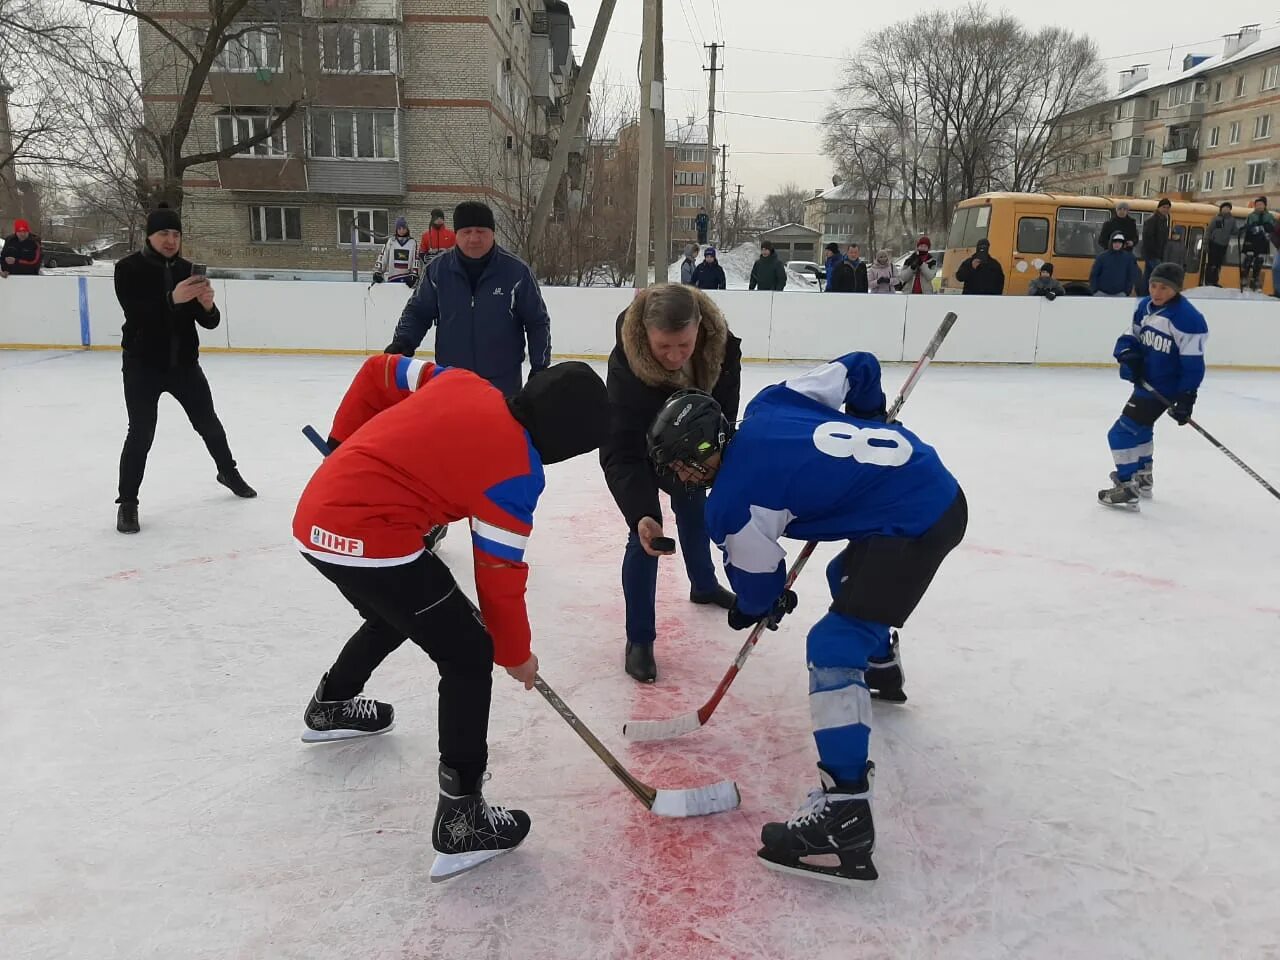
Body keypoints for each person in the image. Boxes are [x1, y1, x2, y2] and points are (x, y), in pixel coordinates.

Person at [645, 353, 966, 883]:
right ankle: (881, 665)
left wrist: (755, 608)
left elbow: (759, 587)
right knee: (846, 578)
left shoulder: (732, 504)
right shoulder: (771, 404)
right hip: (923, 480)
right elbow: (860, 366)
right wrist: (870, 416)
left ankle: (845, 813)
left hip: (917, 519)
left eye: (682, 464)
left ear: (704, 451)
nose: (680, 475)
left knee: (833, 645)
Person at [293, 354, 610, 881]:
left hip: (314, 522)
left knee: (396, 612)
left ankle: (333, 703)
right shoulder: (517, 471)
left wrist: (340, 448)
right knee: (467, 654)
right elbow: (498, 576)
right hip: (373, 538)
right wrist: (514, 654)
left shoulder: (465, 381)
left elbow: (379, 372)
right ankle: (461, 821)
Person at [600, 284, 741, 683]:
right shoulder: (626, 368)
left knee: (696, 510)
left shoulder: (722, 348)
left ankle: (704, 585)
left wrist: (713, 458)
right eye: (664, 346)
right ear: (645, 335)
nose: (676, 355)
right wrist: (641, 513)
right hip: (642, 450)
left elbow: (724, 415)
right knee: (646, 537)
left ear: (701, 328)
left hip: (692, 449)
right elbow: (620, 448)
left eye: (684, 344)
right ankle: (639, 639)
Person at [112, 204, 255, 535]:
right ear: (150, 235)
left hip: (184, 366)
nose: (171, 240)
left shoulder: (189, 270)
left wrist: (207, 306)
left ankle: (228, 472)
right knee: (141, 432)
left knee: (209, 423)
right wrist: (172, 298)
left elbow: (210, 322)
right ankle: (128, 502)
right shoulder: (128, 269)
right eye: (164, 233)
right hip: (142, 366)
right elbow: (137, 316)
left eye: (176, 234)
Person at [386, 201, 551, 397]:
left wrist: (539, 369)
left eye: (481, 231)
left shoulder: (516, 272)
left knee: (496, 428)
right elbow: (418, 312)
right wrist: (403, 342)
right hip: (451, 380)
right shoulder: (438, 270)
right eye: (467, 231)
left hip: (502, 384)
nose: (474, 238)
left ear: (492, 233)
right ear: (456, 235)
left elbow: (537, 322)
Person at [1098, 263, 1206, 509]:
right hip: (1146, 383)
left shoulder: (1188, 319)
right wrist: (1128, 356)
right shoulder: (1144, 306)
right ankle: (1143, 477)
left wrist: (1187, 396)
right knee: (1142, 428)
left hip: (1162, 389)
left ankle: (1127, 486)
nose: (1157, 292)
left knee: (1120, 433)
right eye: (1153, 285)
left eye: (1164, 288)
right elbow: (1131, 337)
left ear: (1177, 290)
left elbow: (1193, 364)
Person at [1240, 196, 1276, 293]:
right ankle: (1244, 282)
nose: (1259, 206)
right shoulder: (1251, 216)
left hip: (1262, 243)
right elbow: (1246, 227)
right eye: (1257, 205)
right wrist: (1252, 228)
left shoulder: (1269, 216)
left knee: (1258, 264)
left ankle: (1255, 283)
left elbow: (1273, 228)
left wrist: (1263, 228)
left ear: (1265, 206)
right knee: (1247, 262)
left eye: (1261, 204)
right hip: (1251, 242)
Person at [1090, 233, 1140, 297]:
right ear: (1111, 242)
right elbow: (1094, 274)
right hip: (1101, 294)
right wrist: (1095, 290)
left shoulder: (1129, 258)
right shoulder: (1102, 257)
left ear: (1123, 244)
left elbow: (1131, 276)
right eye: (1115, 242)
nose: (1117, 244)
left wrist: (1126, 292)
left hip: (1120, 294)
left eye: (1119, 242)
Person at [373, 217, 418, 286]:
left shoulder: (412, 242)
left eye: (404, 228)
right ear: (396, 229)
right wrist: (378, 271)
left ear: (407, 229)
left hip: (407, 279)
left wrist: (414, 274)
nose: (401, 230)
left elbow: (415, 258)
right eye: (399, 228)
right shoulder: (391, 241)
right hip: (393, 278)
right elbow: (383, 256)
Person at [1140, 198, 1172, 292]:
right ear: (1159, 208)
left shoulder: (1164, 221)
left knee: (1149, 275)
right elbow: (1148, 238)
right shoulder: (1152, 220)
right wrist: (1153, 253)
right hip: (1152, 254)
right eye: (1164, 207)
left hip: (1157, 254)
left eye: (1168, 208)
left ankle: (1145, 293)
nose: (1166, 210)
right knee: (1160, 275)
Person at [1205, 202, 1234, 287]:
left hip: (1223, 245)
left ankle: (1215, 281)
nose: (1226, 209)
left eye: (1228, 208)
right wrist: (1206, 243)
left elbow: (1234, 231)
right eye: (1224, 208)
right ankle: (1208, 281)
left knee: (1218, 264)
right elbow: (1209, 230)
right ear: (1221, 209)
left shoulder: (1232, 220)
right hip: (1214, 243)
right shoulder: (1216, 218)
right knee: (1211, 263)